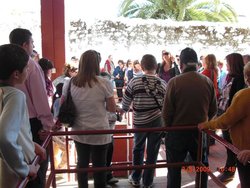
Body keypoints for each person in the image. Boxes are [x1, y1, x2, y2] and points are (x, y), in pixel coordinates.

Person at [162, 47, 217, 188]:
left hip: (177, 133)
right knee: (202, 167)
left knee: (174, 170)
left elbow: (167, 113)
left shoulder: (174, 82)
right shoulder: (207, 82)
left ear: (182, 64)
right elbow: (213, 110)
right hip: (199, 132)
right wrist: (204, 122)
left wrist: (168, 128)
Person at [61, 50, 116, 188]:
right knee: (100, 167)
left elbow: (63, 103)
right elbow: (112, 109)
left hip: (79, 131)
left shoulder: (71, 82)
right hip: (100, 131)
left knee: (82, 165)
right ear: (97, 64)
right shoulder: (104, 82)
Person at [9, 28, 55, 188]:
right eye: (32, 43)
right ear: (24, 44)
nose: (33, 46)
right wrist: (48, 125)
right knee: (36, 169)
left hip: (16, 122)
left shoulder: (5, 62)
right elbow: (40, 98)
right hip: (31, 123)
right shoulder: (30, 66)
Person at [0, 44, 46, 187]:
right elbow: (4, 136)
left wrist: (31, 144)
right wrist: (24, 168)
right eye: (26, 68)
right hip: (22, 174)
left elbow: (14, 132)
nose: (28, 71)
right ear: (16, 74)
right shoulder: (15, 96)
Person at [198, 61, 250, 188]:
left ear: (247, 77)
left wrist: (207, 124)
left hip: (245, 153)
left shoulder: (245, 95)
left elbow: (226, 120)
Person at [121, 54, 167, 188]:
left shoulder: (134, 82)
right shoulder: (163, 84)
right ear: (156, 67)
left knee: (138, 149)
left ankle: (135, 178)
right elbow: (166, 106)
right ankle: (148, 181)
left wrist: (120, 113)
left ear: (142, 66)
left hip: (139, 122)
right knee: (153, 151)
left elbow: (125, 104)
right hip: (157, 122)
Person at [215, 53, 245, 183]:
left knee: (232, 147)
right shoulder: (230, 77)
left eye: (228, 62)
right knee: (228, 146)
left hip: (231, 118)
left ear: (233, 63)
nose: (226, 65)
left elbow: (235, 101)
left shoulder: (239, 79)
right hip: (225, 114)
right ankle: (229, 168)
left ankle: (229, 172)